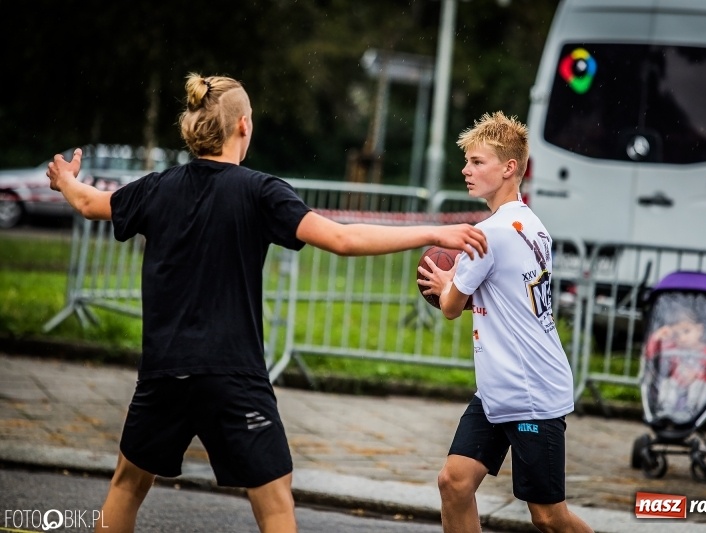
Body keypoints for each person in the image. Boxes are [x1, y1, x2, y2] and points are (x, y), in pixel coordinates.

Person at [46, 73, 488, 533]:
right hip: (232, 374)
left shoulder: (157, 188)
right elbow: (341, 238)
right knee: (275, 503)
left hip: (164, 373)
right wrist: (434, 232)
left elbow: (90, 203)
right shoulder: (259, 191)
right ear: (243, 126)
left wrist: (65, 179)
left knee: (127, 485)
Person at [417, 112, 592, 533]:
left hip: (530, 391)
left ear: (509, 167)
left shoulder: (490, 234)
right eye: (468, 162)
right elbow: (505, 293)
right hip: (498, 390)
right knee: (454, 483)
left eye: (477, 162)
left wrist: (447, 283)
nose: (466, 169)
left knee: (549, 517)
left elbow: (450, 307)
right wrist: (458, 283)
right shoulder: (532, 225)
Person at [643, 308, 706, 421]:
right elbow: (650, 353)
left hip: (696, 390)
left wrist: (698, 376)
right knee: (667, 383)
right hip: (677, 386)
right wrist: (658, 335)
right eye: (676, 334)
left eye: (686, 331)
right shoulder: (673, 348)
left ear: (699, 330)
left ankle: (691, 411)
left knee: (700, 386)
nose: (682, 338)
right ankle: (665, 409)